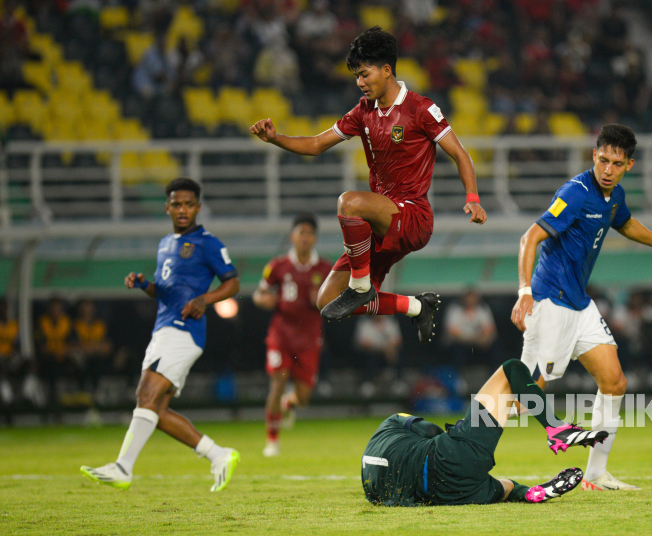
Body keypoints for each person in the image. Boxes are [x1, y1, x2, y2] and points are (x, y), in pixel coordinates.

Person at [250, 26, 487, 343]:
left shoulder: (421, 108)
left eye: (364, 74)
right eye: (356, 77)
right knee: (326, 301)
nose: (360, 83)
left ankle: (361, 287)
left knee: (349, 202)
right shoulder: (363, 112)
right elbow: (318, 143)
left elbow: (459, 154)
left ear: (386, 70)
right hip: (379, 224)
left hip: (412, 217)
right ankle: (417, 306)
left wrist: (473, 197)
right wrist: (275, 138)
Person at [511, 124, 652, 491]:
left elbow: (625, 223)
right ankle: (457, 448)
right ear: (593, 157)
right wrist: (524, 291)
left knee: (614, 382)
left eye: (616, 162)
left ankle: (596, 475)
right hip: (549, 300)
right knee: (525, 396)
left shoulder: (614, 196)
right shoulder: (576, 192)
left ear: (629, 164)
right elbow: (529, 237)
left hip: (579, 304)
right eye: (602, 160)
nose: (607, 169)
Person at [81, 178, 241, 492]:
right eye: (177, 204)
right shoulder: (165, 243)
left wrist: (204, 299)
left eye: (189, 204)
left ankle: (123, 467)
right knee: (157, 410)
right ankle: (218, 455)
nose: (183, 210)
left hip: (184, 332)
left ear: (197, 206)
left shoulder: (208, 243)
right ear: (167, 207)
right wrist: (144, 284)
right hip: (164, 329)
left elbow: (232, 282)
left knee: (145, 394)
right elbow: (165, 292)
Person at [361, 359, 607, 506]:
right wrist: (461, 431)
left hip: (445, 494)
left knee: (505, 487)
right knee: (512, 368)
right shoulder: (393, 422)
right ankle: (556, 428)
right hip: (449, 458)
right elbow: (430, 430)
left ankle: (531, 493)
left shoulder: (370, 484)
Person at [252, 213, 333, 457]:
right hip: (282, 334)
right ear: (293, 236)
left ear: (315, 239)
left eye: (309, 233)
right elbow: (259, 293)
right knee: (277, 381)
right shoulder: (278, 265)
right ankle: (272, 441)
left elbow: (337, 301)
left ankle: (289, 404)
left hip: (309, 337)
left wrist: (322, 301)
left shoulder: (326, 269)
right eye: (301, 232)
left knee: (304, 397)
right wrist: (263, 300)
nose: (305, 237)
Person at [443, 288, 499, 370]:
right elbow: (452, 333)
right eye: (468, 298)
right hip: (461, 343)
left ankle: (493, 375)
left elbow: (490, 331)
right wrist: (470, 340)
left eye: (473, 298)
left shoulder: (482, 310)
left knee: (495, 348)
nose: (470, 301)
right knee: (456, 351)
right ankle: (458, 377)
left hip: (478, 344)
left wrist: (482, 340)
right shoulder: (455, 310)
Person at [354, 315, 403, 398]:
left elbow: (397, 340)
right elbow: (363, 342)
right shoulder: (365, 323)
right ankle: (368, 383)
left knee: (398, 354)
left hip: (388, 354)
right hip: (371, 354)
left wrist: (389, 348)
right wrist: (382, 348)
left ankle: (398, 381)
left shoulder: (390, 322)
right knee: (370, 356)